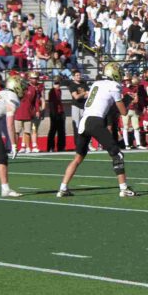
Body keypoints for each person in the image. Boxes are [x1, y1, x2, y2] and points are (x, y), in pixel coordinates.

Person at [56, 63, 137, 198]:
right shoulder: (114, 86)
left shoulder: (96, 83)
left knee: (78, 158)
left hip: (84, 120)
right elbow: (122, 112)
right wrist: (128, 99)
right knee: (117, 154)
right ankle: (123, 189)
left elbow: (106, 105)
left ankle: (63, 188)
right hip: (95, 121)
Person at [46, 75, 67, 152]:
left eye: (58, 83)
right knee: (53, 130)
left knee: (61, 130)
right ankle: (50, 147)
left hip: (60, 112)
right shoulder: (52, 91)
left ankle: (61, 147)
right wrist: (53, 114)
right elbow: (51, 104)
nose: (58, 85)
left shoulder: (59, 91)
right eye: (56, 83)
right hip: (55, 113)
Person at [67, 70, 88, 136]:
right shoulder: (72, 85)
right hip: (76, 106)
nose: (79, 76)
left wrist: (81, 95)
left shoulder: (84, 83)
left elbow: (88, 94)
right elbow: (76, 97)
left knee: (84, 124)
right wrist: (84, 93)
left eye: (79, 75)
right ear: (73, 77)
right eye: (77, 75)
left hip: (83, 106)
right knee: (77, 124)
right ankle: (77, 139)